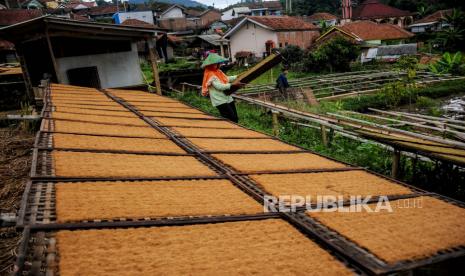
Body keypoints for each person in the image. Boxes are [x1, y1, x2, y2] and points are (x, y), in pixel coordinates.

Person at [201, 53, 244, 123]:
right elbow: (219, 86)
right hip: (219, 100)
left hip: (227, 97)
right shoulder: (210, 74)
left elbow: (226, 78)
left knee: (235, 118)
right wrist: (232, 84)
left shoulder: (218, 71)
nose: (219, 65)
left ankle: (235, 131)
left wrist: (237, 76)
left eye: (218, 63)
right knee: (229, 118)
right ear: (211, 65)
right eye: (217, 63)